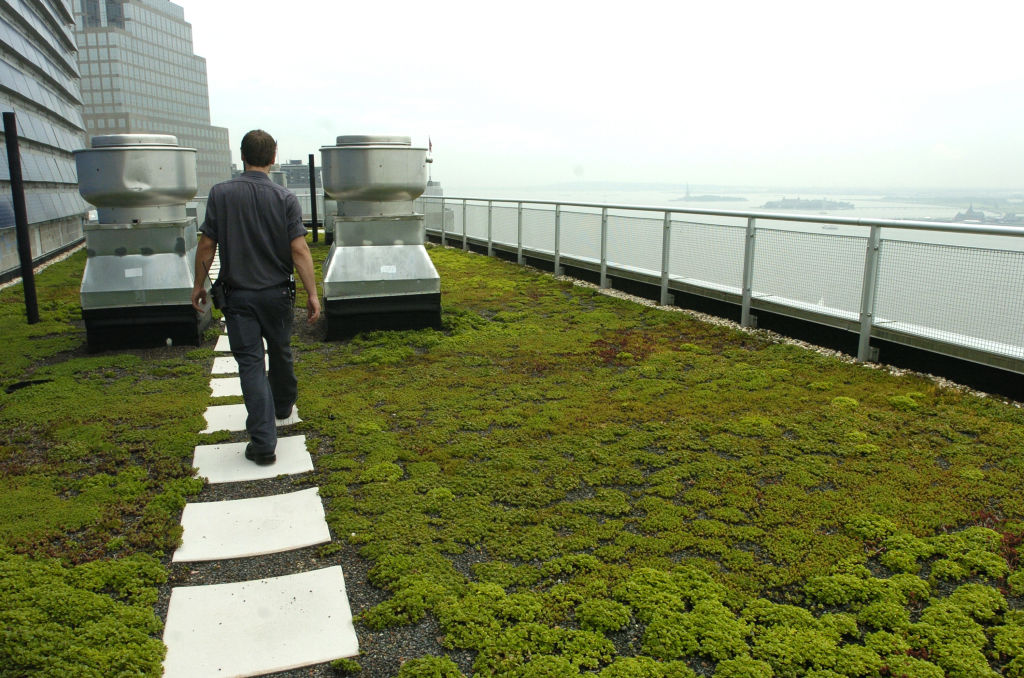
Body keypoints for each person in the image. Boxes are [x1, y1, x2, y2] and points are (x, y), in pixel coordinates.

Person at [191, 129, 321, 465]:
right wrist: (312, 294)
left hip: (239, 297)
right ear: (274, 156)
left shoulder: (220, 194)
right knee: (280, 350)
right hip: (278, 294)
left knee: (250, 363)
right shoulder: (285, 199)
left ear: (242, 155)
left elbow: (207, 245)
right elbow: (299, 249)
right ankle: (282, 405)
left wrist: (199, 285)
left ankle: (263, 443)